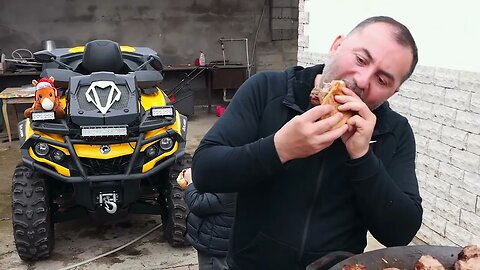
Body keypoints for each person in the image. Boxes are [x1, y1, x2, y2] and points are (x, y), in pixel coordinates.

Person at [192, 16, 423, 269]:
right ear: (337, 46)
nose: (363, 80)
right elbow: (205, 171)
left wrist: (362, 156)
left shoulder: (394, 131)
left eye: (382, 80)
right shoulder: (268, 90)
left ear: (394, 92)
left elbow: (400, 232)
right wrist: (280, 148)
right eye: (360, 59)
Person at [181, 168, 237, 270]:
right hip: (226, 240)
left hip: (216, 244)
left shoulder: (230, 184)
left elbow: (197, 203)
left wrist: (190, 183)